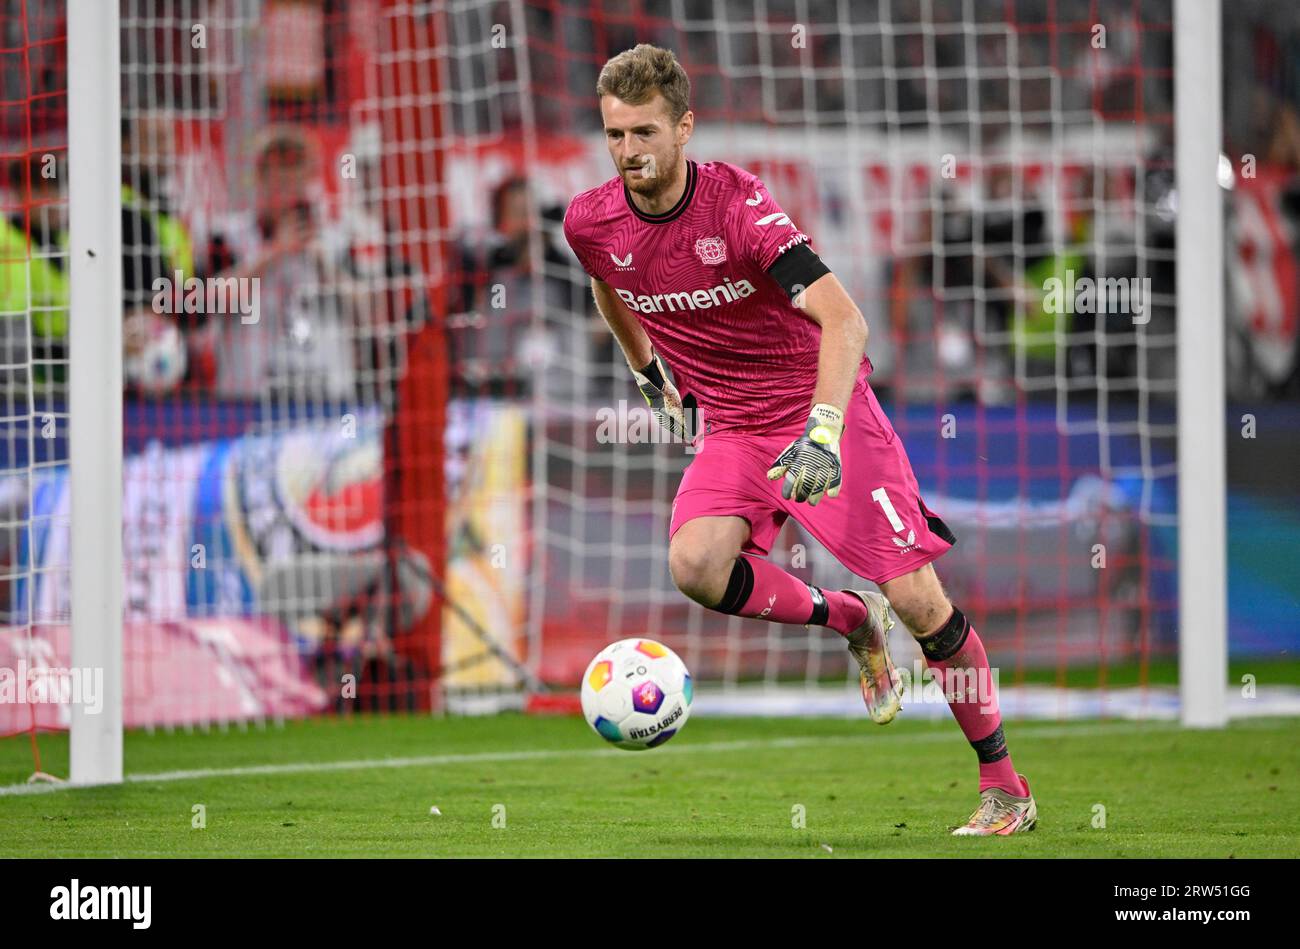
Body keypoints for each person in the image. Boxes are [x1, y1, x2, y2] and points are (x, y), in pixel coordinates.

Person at [562, 44, 1036, 836]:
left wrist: (823, 432)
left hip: (822, 407)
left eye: (644, 132)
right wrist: (648, 374)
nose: (629, 153)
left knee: (921, 602)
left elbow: (846, 319)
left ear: (684, 127)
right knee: (696, 565)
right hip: (735, 426)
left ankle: (1006, 789)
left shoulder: (739, 208)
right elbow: (607, 281)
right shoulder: (591, 218)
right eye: (614, 136)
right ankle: (849, 617)